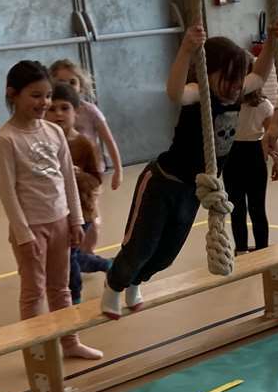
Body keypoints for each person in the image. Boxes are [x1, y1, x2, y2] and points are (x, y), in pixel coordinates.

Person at [100, 26, 266, 319]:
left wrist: (273, 42)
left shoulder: (238, 93)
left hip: (192, 191)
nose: (235, 85)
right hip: (162, 183)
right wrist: (186, 50)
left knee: (166, 256)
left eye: (239, 78)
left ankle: (136, 281)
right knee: (141, 247)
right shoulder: (200, 94)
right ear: (207, 74)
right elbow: (174, 92)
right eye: (227, 77)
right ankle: (114, 283)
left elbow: (261, 75)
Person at [0, 61, 101, 361]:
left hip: (61, 222)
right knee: (33, 292)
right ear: (12, 94)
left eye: (48, 96)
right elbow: (8, 192)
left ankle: (70, 342)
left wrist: (76, 220)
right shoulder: (6, 139)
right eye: (35, 96)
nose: (44, 103)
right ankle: (37, 353)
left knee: (61, 288)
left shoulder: (54, 132)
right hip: (31, 228)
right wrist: (23, 234)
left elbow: (68, 179)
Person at [45, 83, 113, 303]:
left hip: (81, 211)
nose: (58, 114)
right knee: (67, 255)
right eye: (52, 109)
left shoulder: (83, 144)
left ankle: (74, 296)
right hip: (54, 211)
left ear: (75, 112)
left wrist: (77, 175)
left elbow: (96, 180)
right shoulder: (43, 144)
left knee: (69, 256)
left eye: (64, 108)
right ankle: (107, 264)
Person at [222, 15, 278, 253]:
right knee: (257, 208)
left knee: (238, 208)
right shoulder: (263, 105)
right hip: (253, 156)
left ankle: (242, 249)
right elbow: (272, 136)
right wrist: (277, 162)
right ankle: (261, 249)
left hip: (235, 156)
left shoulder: (231, 104)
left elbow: (271, 134)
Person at [48, 59, 124, 192]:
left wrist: (118, 170)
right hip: (62, 169)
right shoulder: (50, 111)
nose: (68, 87)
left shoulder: (90, 110)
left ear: (81, 86)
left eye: (72, 82)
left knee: (89, 199)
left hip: (90, 167)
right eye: (61, 82)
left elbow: (109, 140)